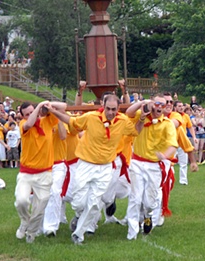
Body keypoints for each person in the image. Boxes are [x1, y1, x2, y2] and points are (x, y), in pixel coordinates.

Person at [48, 94, 137, 245]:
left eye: (114, 109)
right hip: (85, 164)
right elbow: (72, 121)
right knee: (79, 203)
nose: (110, 112)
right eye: (108, 109)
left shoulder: (123, 121)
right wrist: (54, 112)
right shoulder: (91, 117)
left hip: (105, 167)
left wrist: (142, 117)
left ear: (118, 108)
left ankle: (79, 234)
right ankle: (78, 215)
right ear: (103, 106)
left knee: (95, 203)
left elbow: (136, 131)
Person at [124, 95, 178, 240]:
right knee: (135, 198)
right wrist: (142, 103)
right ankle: (132, 232)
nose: (160, 106)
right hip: (137, 162)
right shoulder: (141, 115)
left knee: (149, 202)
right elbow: (128, 112)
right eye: (157, 103)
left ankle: (147, 215)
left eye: (163, 104)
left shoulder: (167, 124)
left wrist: (164, 156)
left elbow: (173, 144)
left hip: (154, 166)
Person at [15, 100, 65, 243]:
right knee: (21, 201)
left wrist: (47, 104)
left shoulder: (48, 121)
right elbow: (29, 123)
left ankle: (31, 232)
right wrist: (37, 108)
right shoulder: (23, 126)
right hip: (26, 172)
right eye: (27, 114)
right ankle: (25, 221)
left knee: (41, 204)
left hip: (45, 172)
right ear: (23, 116)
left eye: (32, 112)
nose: (32, 115)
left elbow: (63, 107)